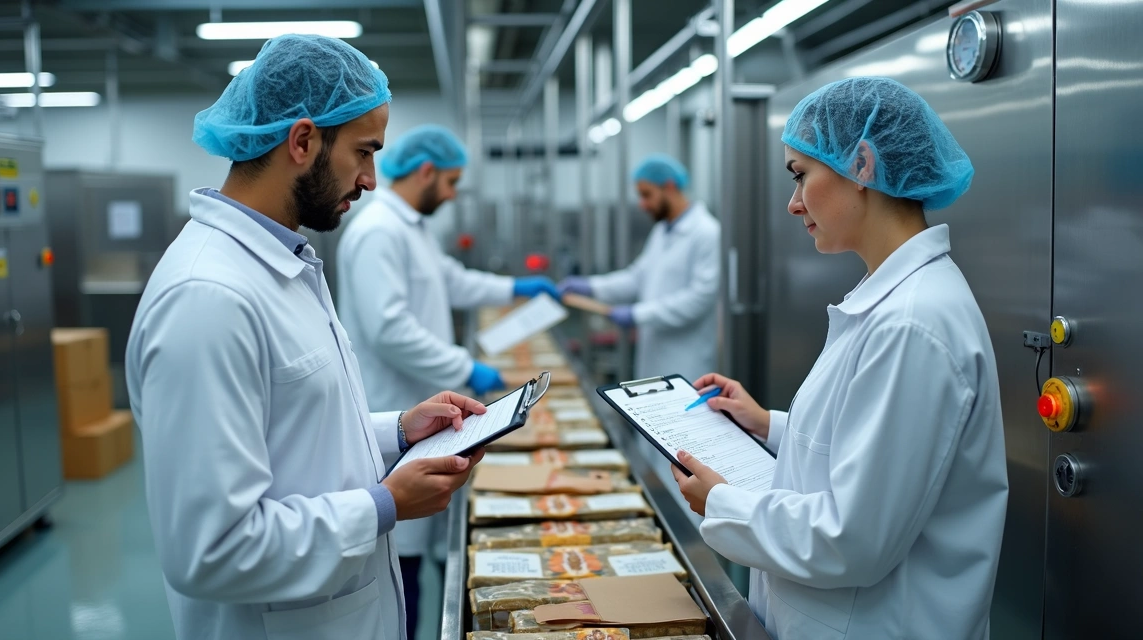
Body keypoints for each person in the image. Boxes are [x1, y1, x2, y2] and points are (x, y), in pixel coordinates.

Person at [126, 35, 488, 640]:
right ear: (302, 141)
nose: (371, 179)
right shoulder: (207, 298)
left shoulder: (281, 265)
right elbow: (210, 550)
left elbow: (294, 428)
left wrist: (400, 431)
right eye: (363, 152)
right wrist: (384, 505)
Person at [671, 77, 1007, 639]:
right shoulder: (891, 300)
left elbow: (853, 539)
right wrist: (768, 424)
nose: (793, 202)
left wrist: (721, 504)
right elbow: (867, 451)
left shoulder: (912, 323)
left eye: (800, 174)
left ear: (863, 164)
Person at [336, 124, 559, 638]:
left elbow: (452, 280)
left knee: (426, 546)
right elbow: (390, 329)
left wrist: (514, 287)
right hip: (396, 408)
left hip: (424, 413)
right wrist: (465, 368)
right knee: (402, 560)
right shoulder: (378, 232)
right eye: (452, 182)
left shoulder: (410, 227)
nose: (454, 194)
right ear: (426, 171)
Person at [558, 153, 720, 380]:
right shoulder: (662, 231)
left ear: (670, 187)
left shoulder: (707, 232)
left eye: (647, 195)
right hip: (654, 354)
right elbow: (637, 277)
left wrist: (637, 314)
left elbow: (699, 299)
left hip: (687, 360)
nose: (642, 204)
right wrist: (590, 286)